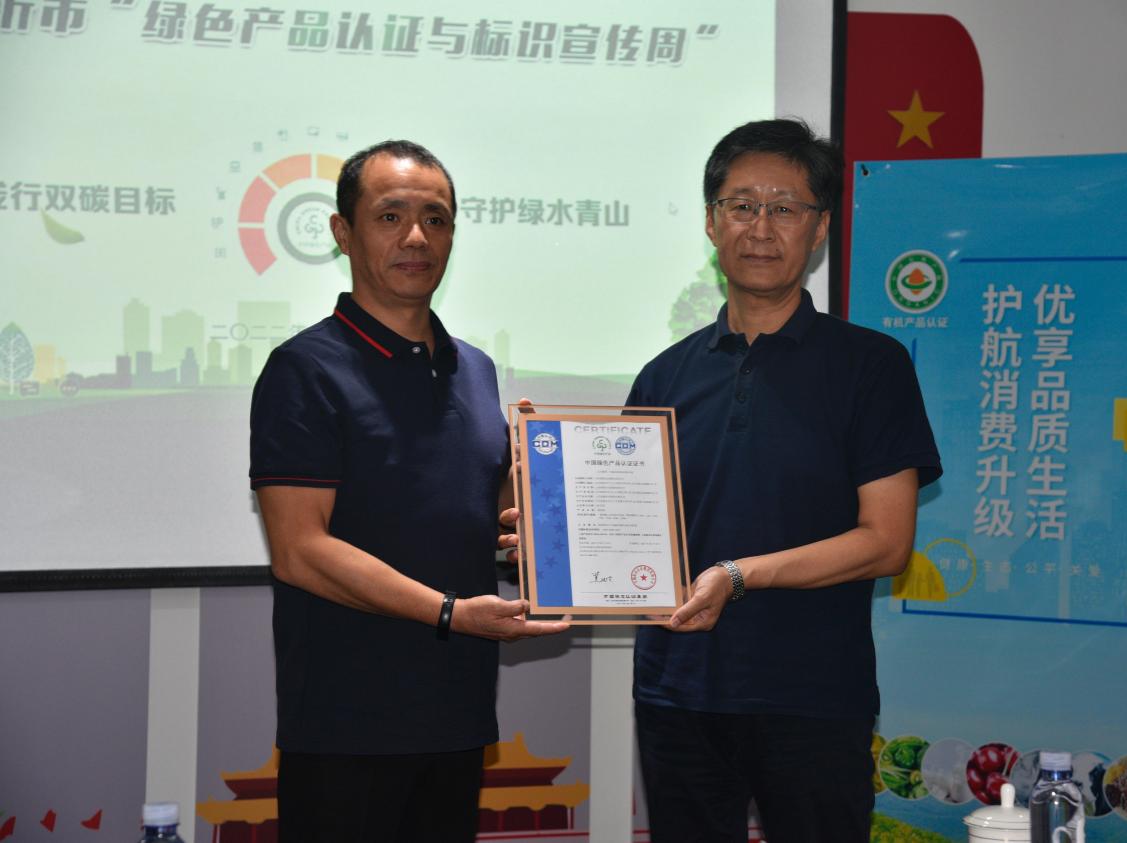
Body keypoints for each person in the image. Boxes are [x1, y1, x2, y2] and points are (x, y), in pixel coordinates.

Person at [626, 119, 942, 842]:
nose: (760, 228)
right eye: (741, 205)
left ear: (819, 228)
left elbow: (886, 541)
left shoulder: (871, 366)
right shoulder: (663, 376)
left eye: (785, 208)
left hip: (812, 697)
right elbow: (631, 529)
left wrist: (739, 575)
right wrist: (552, 535)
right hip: (679, 691)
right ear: (712, 222)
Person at [249, 139, 567, 843]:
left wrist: (530, 516)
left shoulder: (474, 369)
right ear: (343, 233)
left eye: (436, 219)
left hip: (456, 713)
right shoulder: (305, 370)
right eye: (390, 216)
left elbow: (474, 510)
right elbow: (299, 551)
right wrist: (450, 611)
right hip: (347, 724)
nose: (417, 237)